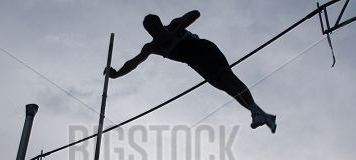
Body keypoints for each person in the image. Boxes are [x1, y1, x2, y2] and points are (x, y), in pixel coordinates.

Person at [106, 10, 277, 133]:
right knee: (227, 88)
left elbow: (195, 14)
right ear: (149, 31)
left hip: (206, 51)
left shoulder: (173, 25)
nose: (156, 31)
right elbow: (134, 62)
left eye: (157, 26)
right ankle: (261, 114)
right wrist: (116, 74)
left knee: (229, 78)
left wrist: (177, 29)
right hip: (197, 64)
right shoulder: (153, 47)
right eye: (152, 29)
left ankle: (256, 112)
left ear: (160, 23)